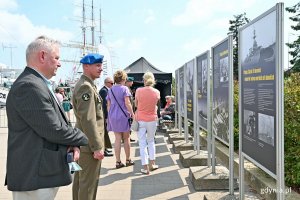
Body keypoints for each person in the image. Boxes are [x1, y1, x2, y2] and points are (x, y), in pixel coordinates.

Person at [5, 35, 89, 200]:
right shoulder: (29, 86)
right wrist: (81, 138)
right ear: (42, 56)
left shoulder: (36, 83)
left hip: (40, 173)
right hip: (35, 176)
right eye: (56, 58)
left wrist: (72, 142)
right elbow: (54, 129)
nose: (59, 63)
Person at [72, 53, 105, 200]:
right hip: (89, 146)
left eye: (101, 65)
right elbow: (88, 120)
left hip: (85, 145)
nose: (101, 69)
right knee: (88, 186)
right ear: (86, 66)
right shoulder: (86, 87)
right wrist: (97, 147)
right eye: (97, 65)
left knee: (81, 183)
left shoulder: (87, 84)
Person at [107, 70, 135, 169]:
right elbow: (127, 103)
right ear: (123, 79)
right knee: (126, 138)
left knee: (117, 139)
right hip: (123, 116)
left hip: (113, 116)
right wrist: (132, 114)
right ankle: (128, 160)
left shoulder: (110, 90)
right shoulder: (125, 89)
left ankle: (118, 162)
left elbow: (108, 105)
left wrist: (109, 117)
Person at [135, 72, 160, 174]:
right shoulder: (157, 92)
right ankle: (153, 163)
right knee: (151, 141)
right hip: (152, 119)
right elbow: (155, 105)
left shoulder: (138, 90)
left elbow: (136, 104)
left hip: (141, 119)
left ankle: (145, 168)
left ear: (144, 80)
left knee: (142, 143)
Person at [99, 77, 114, 157]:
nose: (113, 85)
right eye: (111, 83)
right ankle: (104, 149)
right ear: (107, 83)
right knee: (104, 133)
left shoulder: (106, 90)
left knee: (105, 133)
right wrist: (106, 116)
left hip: (105, 114)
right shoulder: (104, 91)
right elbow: (104, 105)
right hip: (104, 114)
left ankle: (105, 148)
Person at [125, 76, 136, 142]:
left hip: (130, 110)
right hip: (127, 111)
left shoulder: (129, 89)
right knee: (127, 125)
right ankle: (126, 138)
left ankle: (128, 137)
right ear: (128, 82)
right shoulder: (126, 89)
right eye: (131, 81)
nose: (132, 83)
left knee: (129, 125)